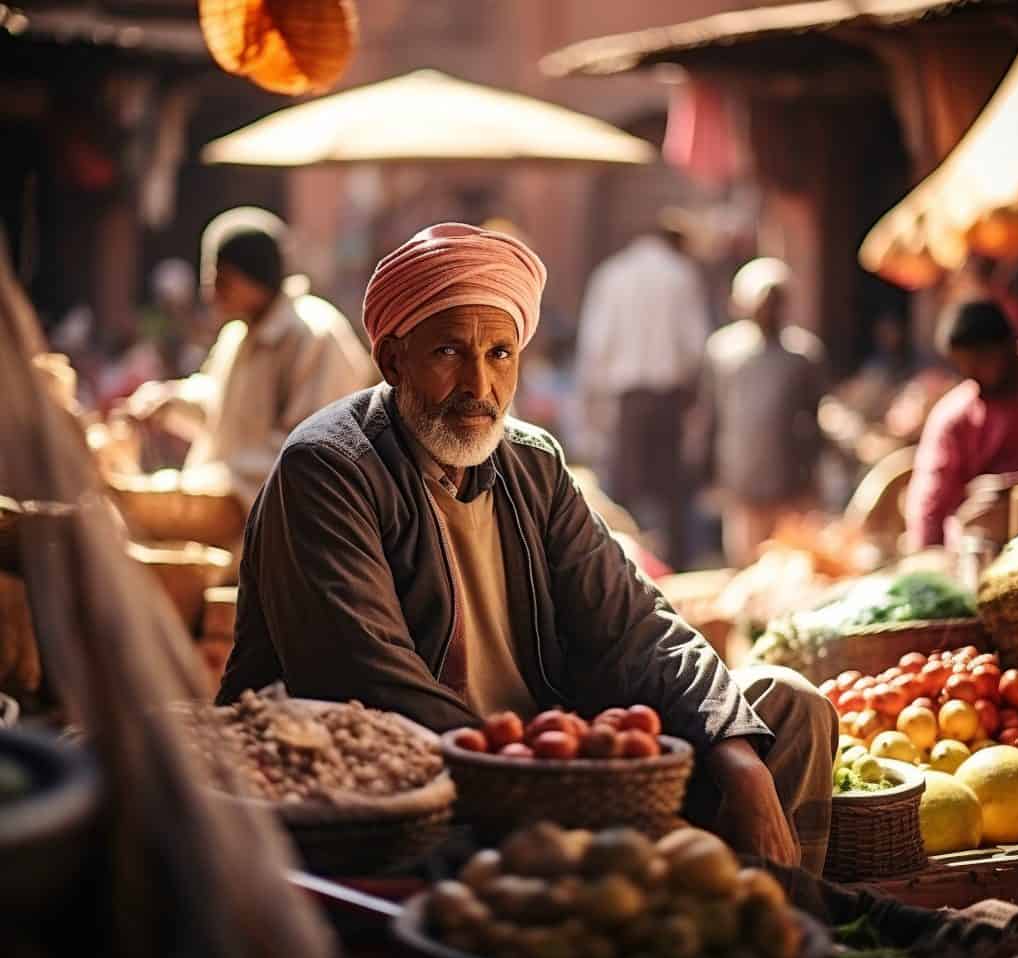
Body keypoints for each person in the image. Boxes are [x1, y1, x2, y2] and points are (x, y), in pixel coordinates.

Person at [217, 222, 837, 873]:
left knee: (786, 706)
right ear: (393, 359)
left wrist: (735, 757)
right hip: (412, 790)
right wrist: (570, 784)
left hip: (543, 759)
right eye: (449, 353)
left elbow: (632, 623)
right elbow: (370, 689)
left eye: (501, 355)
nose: (480, 387)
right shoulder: (329, 469)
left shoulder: (531, 463)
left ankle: (776, 927)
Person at [125, 212, 374, 513]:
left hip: (291, 525)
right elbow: (220, 408)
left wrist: (222, 481)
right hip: (236, 516)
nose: (210, 293)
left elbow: (313, 448)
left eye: (222, 280)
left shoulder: (314, 334)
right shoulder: (237, 335)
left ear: (256, 279)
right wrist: (168, 402)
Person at [576, 212, 711, 569]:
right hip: (669, 398)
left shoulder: (612, 274)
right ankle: (676, 567)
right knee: (673, 491)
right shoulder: (680, 275)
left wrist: (594, 402)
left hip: (627, 399)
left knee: (625, 490)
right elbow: (695, 345)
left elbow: (595, 345)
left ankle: (621, 566)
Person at [699, 257, 826, 568]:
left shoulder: (802, 354)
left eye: (775, 301)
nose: (767, 310)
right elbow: (711, 414)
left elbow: (815, 417)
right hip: (741, 476)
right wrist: (707, 471)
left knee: (790, 564)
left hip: (789, 478)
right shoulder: (723, 351)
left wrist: (811, 475)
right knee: (745, 563)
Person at [905, 299, 1018, 550]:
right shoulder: (955, 417)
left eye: (981, 360)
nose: (971, 371)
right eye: (962, 364)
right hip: (978, 555)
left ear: (1009, 346)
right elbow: (930, 506)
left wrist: (1013, 492)